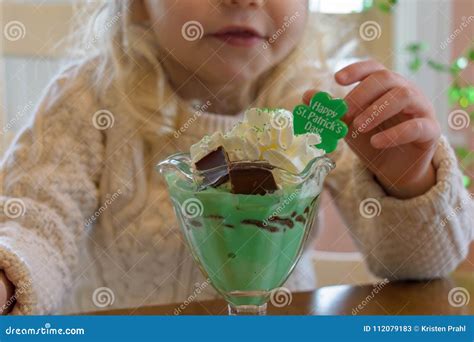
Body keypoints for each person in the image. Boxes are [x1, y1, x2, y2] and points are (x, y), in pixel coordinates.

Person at [0, 0, 472, 314]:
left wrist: (409, 182)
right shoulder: (90, 99)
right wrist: (9, 273)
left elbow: (420, 266)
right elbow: (37, 220)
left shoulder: (322, 107)